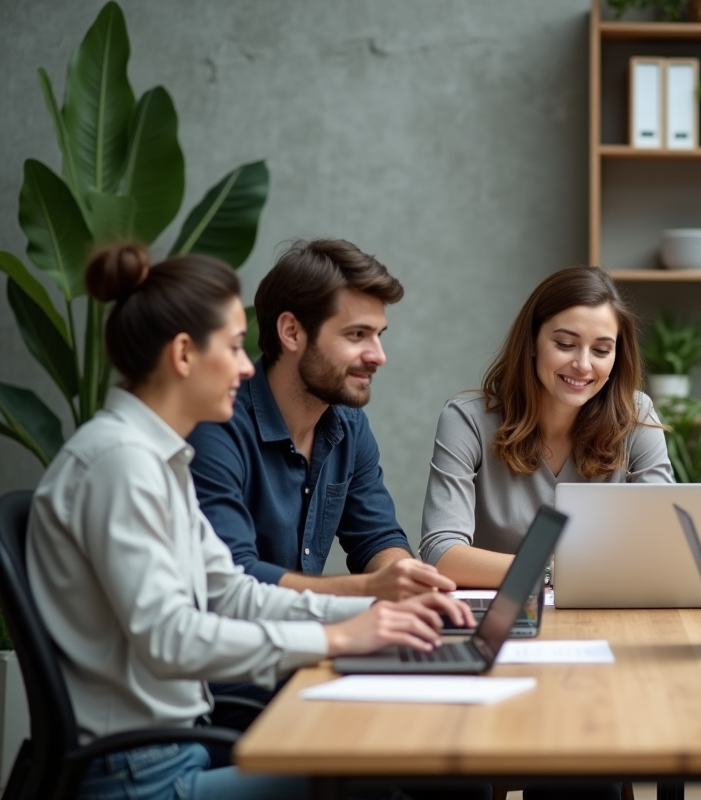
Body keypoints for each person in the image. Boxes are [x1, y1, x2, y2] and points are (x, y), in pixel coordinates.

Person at [26, 243, 475, 800]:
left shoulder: (157, 458)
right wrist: (335, 635)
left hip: (176, 749)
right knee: (370, 782)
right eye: (236, 347)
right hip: (138, 776)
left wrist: (374, 615)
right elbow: (169, 637)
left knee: (415, 770)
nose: (246, 366)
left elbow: (231, 590)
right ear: (184, 355)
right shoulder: (120, 465)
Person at [189, 238, 453, 601]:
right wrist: (368, 589)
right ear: (292, 332)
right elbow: (232, 575)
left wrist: (408, 584)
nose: (378, 356)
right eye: (357, 334)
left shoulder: (349, 425)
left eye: (378, 335)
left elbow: (376, 537)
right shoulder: (216, 424)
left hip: (306, 640)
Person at [420, 266, 675, 586]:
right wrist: (551, 571)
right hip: (503, 619)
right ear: (531, 343)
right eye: (566, 344)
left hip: (603, 615)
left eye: (601, 350)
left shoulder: (636, 415)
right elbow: (441, 554)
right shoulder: (467, 420)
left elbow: (665, 545)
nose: (583, 365)